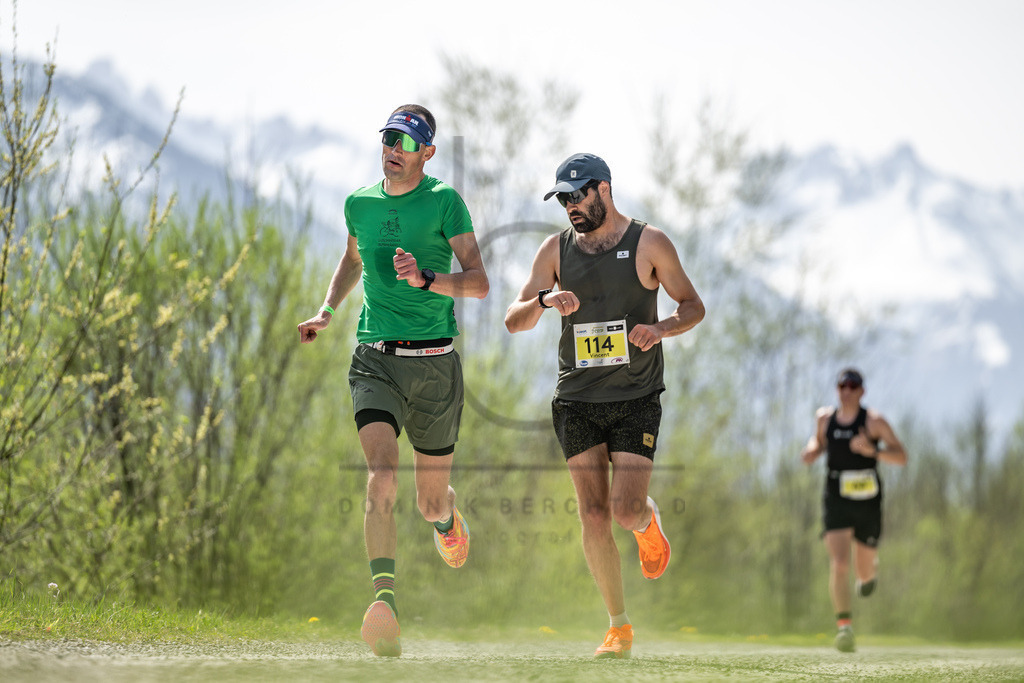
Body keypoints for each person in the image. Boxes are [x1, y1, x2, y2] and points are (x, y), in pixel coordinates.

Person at [297, 104, 489, 658]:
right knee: (381, 476)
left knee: (429, 504)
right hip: (374, 357)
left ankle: (448, 519)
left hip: (434, 364)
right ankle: (385, 603)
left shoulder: (445, 202)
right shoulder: (359, 202)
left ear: (426, 152)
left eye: (407, 141)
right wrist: (327, 311)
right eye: (388, 137)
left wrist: (426, 279)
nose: (394, 147)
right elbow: (352, 260)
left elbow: (477, 283)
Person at [504, 153, 705, 659]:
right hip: (576, 400)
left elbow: (692, 306)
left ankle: (646, 521)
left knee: (623, 510)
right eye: (564, 198)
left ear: (604, 189)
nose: (571, 206)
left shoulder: (649, 243)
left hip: (636, 397)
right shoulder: (554, 251)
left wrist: (658, 330)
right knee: (593, 514)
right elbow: (513, 319)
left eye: (578, 195)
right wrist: (545, 302)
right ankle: (618, 626)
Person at [800, 368, 907, 653]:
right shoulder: (824, 418)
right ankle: (844, 628)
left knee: (863, 571)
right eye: (842, 385)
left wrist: (873, 452)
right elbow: (818, 442)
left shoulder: (874, 422)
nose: (846, 390)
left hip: (867, 499)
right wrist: (811, 451)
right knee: (839, 562)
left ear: (862, 391)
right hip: (836, 495)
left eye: (852, 385)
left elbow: (901, 457)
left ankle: (869, 574)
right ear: (837, 389)